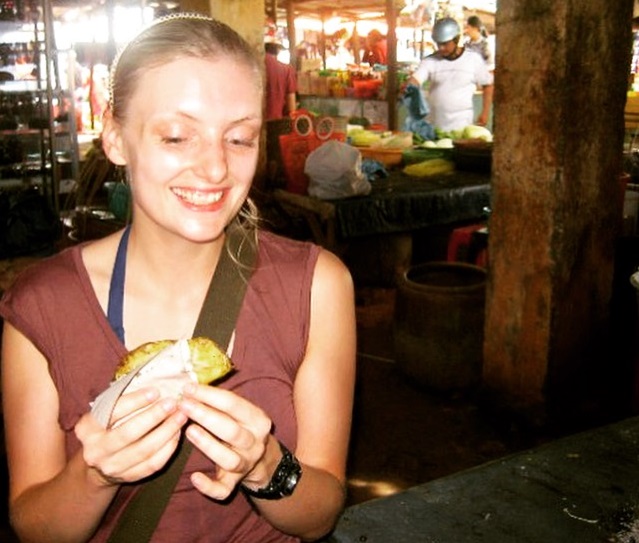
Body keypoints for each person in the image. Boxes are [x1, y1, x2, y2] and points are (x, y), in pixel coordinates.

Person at [0, 13, 356, 543]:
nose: (214, 169)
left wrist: (266, 466)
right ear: (117, 138)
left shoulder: (316, 285)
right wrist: (94, 475)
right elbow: (34, 526)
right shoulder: (41, 304)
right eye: (176, 136)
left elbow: (320, 512)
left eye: (238, 139)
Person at [408, 17, 494, 132]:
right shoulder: (430, 61)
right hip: (435, 126)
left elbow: (488, 85)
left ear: (456, 39)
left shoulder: (473, 59)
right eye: (439, 44)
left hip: (462, 126)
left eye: (445, 44)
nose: (442, 48)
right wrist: (410, 87)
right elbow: (416, 79)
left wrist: (485, 112)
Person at [264, 36, 297, 120]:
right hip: (275, 122)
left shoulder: (252, 66)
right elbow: (292, 108)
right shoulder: (286, 69)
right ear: (278, 51)